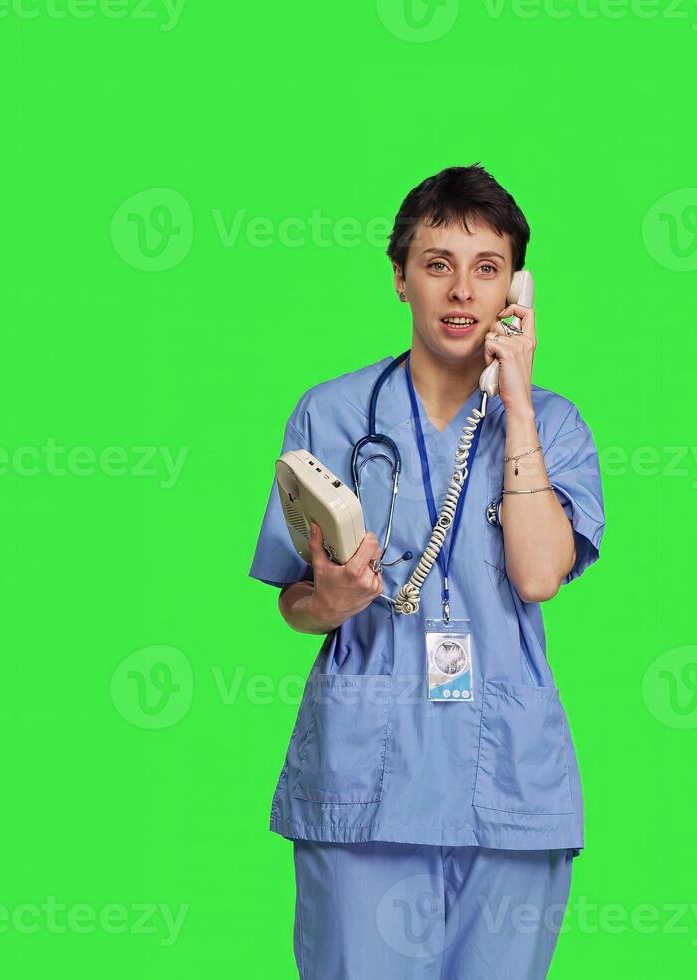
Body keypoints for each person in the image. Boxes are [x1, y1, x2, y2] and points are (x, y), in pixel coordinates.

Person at [250, 164, 605, 979]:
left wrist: (515, 400)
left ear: (515, 288)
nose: (461, 291)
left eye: (486, 269)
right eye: (438, 264)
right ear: (400, 278)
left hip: (509, 783)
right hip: (366, 783)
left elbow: (540, 572)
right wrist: (331, 600)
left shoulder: (553, 424)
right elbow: (294, 604)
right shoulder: (332, 413)